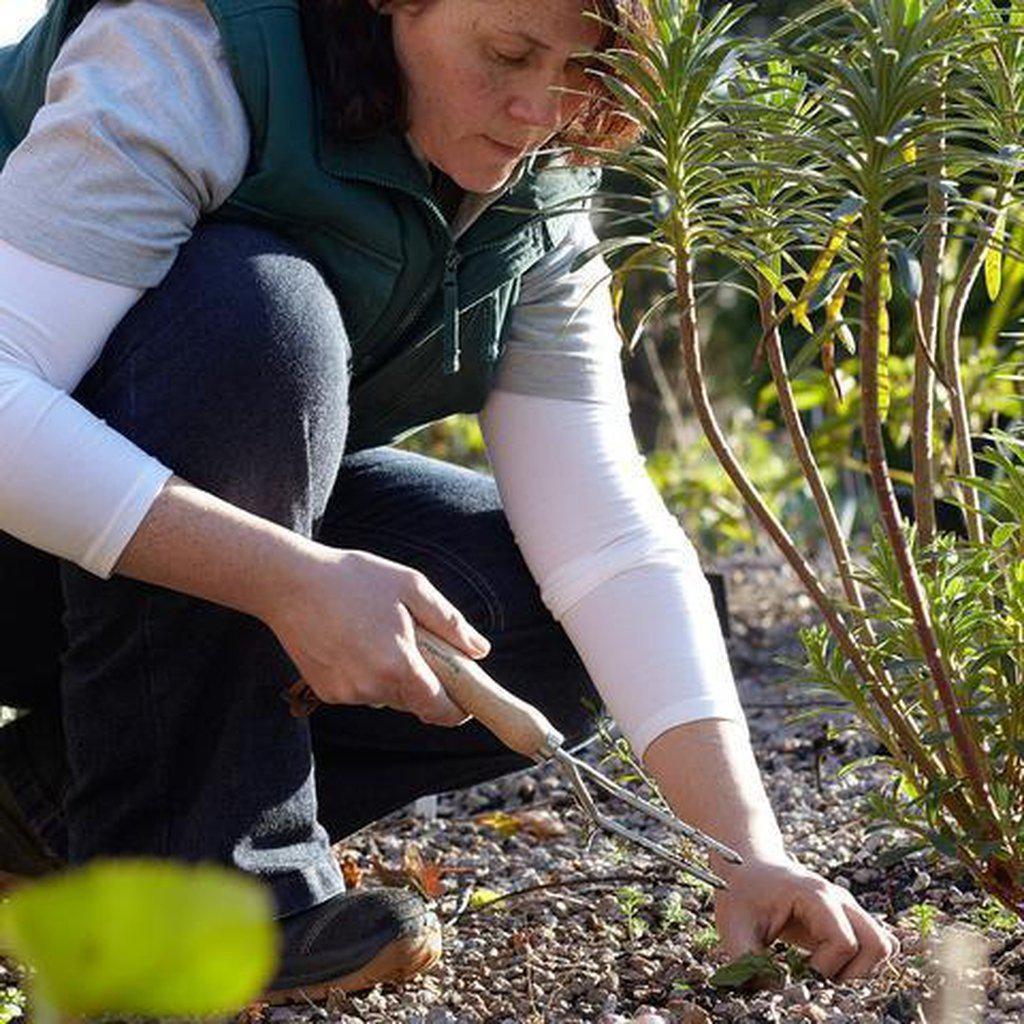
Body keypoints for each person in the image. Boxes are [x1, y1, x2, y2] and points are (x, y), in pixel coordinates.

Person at [0, 0, 898, 1003]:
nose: (536, 109)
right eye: (507, 52)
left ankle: (41, 817)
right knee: (249, 307)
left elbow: (605, 539)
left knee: (533, 618)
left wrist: (748, 851)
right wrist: (287, 578)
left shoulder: (535, 196)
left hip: (133, 569)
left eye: (578, 69)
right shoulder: (186, 52)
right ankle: (193, 895)